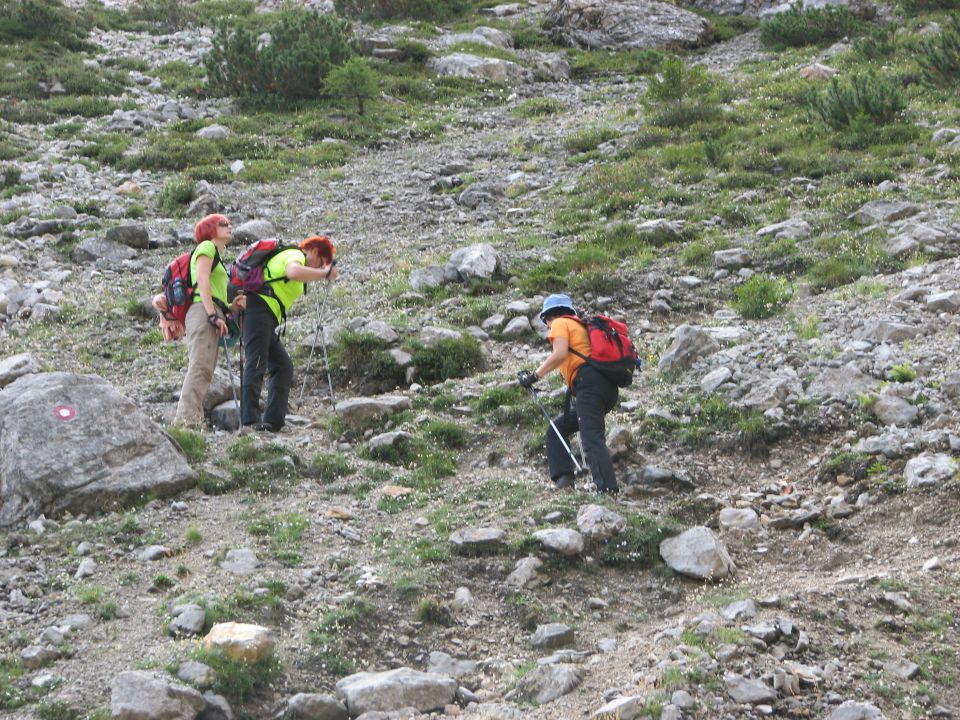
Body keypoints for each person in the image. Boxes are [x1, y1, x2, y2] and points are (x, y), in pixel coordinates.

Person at [518, 294, 620, 494]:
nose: (548, 326)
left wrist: (534, 376)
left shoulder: (560, 323)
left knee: (591, 438)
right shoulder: (580, 326)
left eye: (546, 321)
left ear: (549, 316)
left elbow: (560, 354)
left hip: (589, 386)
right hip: (604, 387)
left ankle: (607, 491)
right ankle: (565, 481)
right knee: (557, 429)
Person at [241, 235, 338, 432]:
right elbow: (292, 272)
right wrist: (325, 274)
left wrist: (322, 273)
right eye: (320, 262)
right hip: (257, 309)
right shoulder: (295, 254)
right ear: (313, 251)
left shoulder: (299, 260)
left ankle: (274, 421)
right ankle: (249, 420)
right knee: (257, 361)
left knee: (283, 366)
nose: (319, 268)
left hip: (265, 315)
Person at [173, 213, 245, 428]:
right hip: (204, 312)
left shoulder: (216, 254)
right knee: (200, 366)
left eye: (229, 223)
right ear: (210, 230)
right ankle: (185, 422)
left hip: (209, 310)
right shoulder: (207, 247)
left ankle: (192, 420)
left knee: (205, 367)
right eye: (223, 224)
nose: (229, 226)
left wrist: (230, 307)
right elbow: (202, 280)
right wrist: (212, 315)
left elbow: (211, 289)